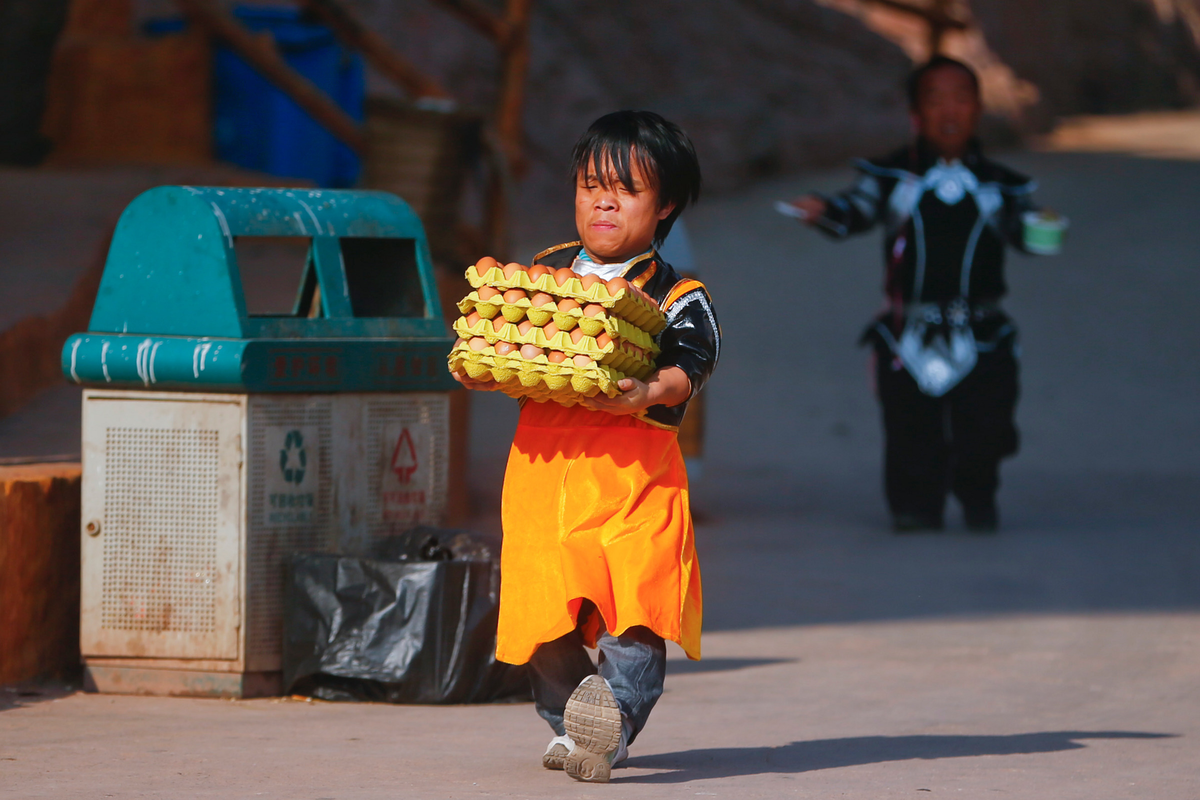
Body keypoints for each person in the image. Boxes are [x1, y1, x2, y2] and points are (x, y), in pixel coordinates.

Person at [453, 110, 719, 783]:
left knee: (636, 606)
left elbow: (695, 359)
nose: (602, 200)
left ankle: (617, 723)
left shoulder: (678, 293)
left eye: (626, 190)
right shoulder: (538, 276)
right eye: (589, 184)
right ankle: (576, 723)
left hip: (635, 477)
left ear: (664, 209)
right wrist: (477, 360)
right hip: (545, 473)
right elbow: (502, 341)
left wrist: (647, 390)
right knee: (541, 610)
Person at [787, 56, 1055, 533]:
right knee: (911, 430)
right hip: (905, 331)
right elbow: (856, 209)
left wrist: (1043, 230)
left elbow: (1028, 233)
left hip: (984, 330)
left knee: (987, 428)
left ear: (977, 108)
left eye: (961, 98)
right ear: (916, 113)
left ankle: (978, 492)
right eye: (935, 100)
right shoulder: (890, 178)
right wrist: (827, 210)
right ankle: (915, 508)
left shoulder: (1003, 185)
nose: (949, 110)